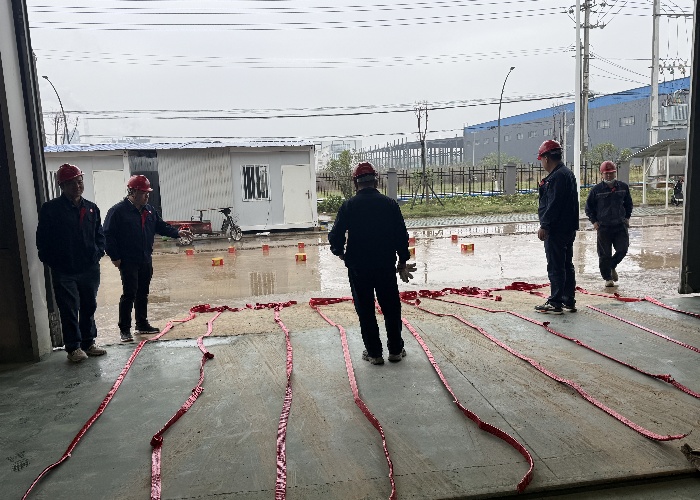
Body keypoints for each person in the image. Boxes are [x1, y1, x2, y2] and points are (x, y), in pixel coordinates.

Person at [328, 162, 416, 365]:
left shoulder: (349, 206)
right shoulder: (390, 204)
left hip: (358, 267)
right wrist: (402, 260)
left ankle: (374, 354)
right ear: (376, 181)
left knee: (365, 310)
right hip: (385, 265)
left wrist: (341, 254)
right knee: (391, 308)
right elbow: (401, 235)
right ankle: (395, 350)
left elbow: (335, 236)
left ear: (355, 183)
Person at [103, 175, 191, 342]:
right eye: (144, 193)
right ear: (133, 192)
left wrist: (177, 232)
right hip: (128, 260)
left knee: (143, 293)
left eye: (148, 193)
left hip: (145, 258)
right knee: (129, 294)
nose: (147, 196)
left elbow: (161, 226)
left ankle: (142, 324)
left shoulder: (149, 210)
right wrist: (114, 257)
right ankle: (124, 329)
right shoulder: (118, 211)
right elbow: (108, 235)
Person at [36, 164, 107, 362]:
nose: (77, 186)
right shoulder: (51, 209)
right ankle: (73, 347)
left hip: (89, 268)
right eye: (71, 183)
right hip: (64, 270)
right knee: (69, 308)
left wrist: (98, 253)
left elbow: (99, 235)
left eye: (79, 181)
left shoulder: (91, 208)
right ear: (62, 186)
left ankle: (88, 342)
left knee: (89, 305)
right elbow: (43, 240)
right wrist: (53, 262)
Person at [535, 140, 580, 314]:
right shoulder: (566, 173)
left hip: (557, 229)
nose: (542, 163)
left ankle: (556, 302)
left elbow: (554, 204)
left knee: (556, 266)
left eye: (542, 159)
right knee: (567, 264)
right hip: (568, 228)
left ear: (546, 158)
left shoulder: (557, 177)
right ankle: (568, 299)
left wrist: (545, 225)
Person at [585, 161, 633, 287]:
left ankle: (612, 265)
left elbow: (628, 204)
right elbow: (589, 208)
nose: (608, 175)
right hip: (603, 227)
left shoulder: (623, 187)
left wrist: (627, 218)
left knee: (623, 249)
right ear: (601, 174)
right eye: (606, 173)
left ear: (615, 173)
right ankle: (607, 278)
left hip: (620, 225)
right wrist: (594, 222)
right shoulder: (596, 190)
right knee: (604, 255)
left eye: (611, 173)